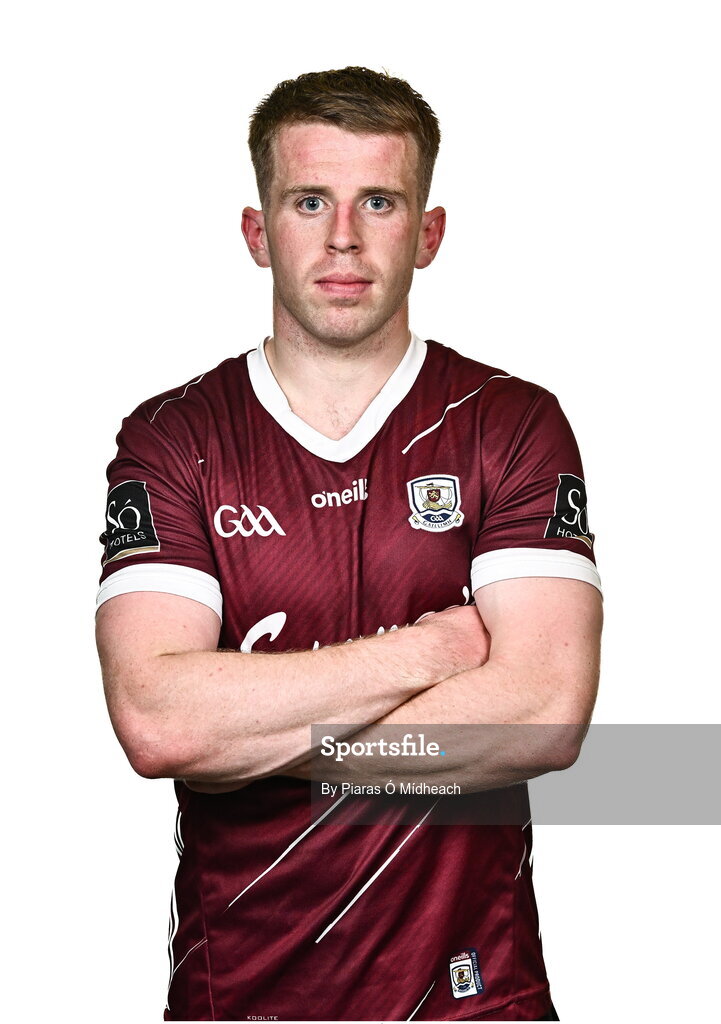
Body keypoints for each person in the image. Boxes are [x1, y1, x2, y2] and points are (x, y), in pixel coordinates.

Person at [96, 66, 602, 1022]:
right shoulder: (174, 437)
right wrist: (429, 653)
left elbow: (542, 717)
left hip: (475, 998)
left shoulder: (510, 425)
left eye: (378, 201)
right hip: (237, 997)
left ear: (427, 232)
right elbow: (160, 721)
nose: (342, 238)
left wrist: (247, 732)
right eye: (308, 200)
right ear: (258, 233)